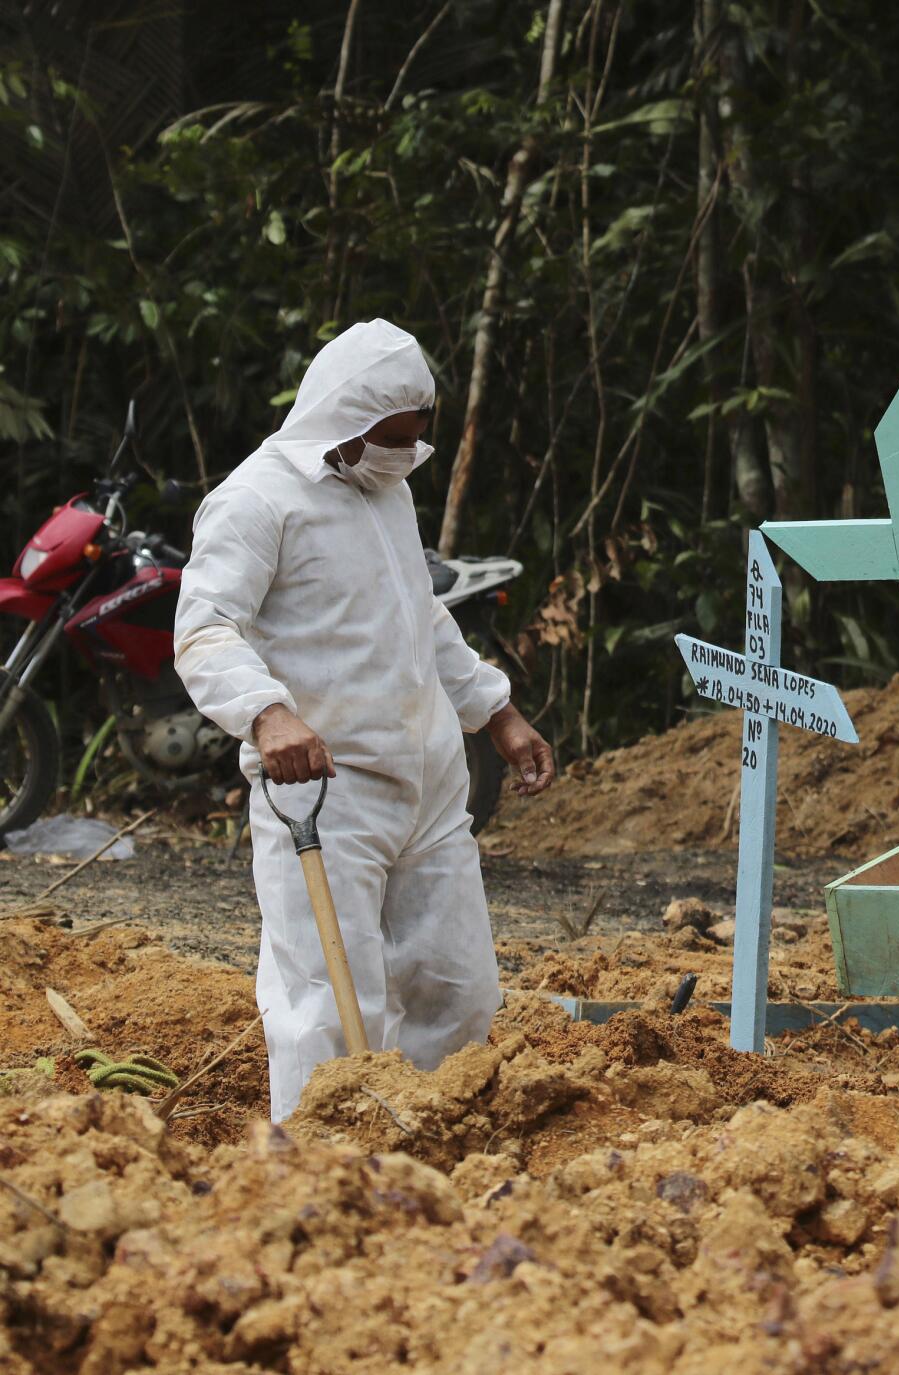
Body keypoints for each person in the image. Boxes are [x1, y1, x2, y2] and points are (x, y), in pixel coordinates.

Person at [174, 320, 555, 1121]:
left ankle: (426, 1149)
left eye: (413, 441)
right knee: (326, 1002)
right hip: (324, 798)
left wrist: (497, 711)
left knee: (458, 991)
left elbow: (422, 614)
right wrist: (267, 714)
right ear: (340, 422)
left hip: (429, 794)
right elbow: (205, 630)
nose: (402, 455)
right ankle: (320, 1173)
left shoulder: (389, 491)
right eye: (388, 439)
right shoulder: (256, 500)